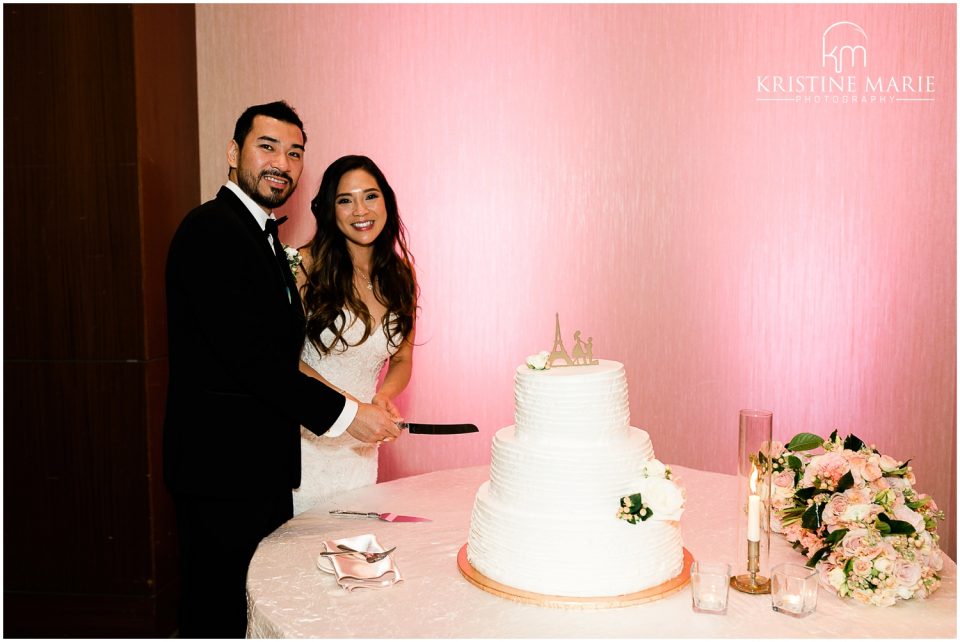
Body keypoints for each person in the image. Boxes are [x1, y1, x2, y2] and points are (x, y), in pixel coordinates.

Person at [163, 103, 400, 638]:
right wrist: (347, 415)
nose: (283, 162)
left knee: (267, 608)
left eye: (294, 153)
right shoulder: (212, 232)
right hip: (219, 473)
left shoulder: (263, 239)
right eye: (267, 146)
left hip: (262, 471)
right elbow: (254, 363)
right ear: (233, 153)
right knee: (218, 614)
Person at [292, 155, 418, 515]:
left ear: (387, 202)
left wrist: (383, 396)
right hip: (309, 446)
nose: (360, 210)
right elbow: (285, 361)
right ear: (330, 209)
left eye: (370, 196)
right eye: (345, 200)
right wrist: (352, 410)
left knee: (354, 554)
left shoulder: (401, 275)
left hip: (362, 452)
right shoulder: (304, 267)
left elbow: (403, 358)